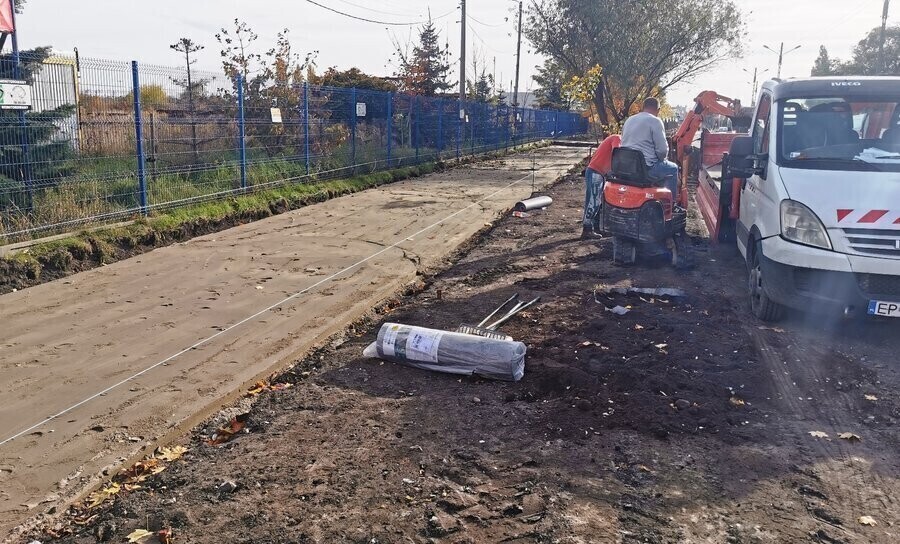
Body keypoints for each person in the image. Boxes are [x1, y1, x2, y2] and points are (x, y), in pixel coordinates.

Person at [620, 97, 679, 199]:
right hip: (646, 170)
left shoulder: (629, 120)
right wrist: (661, 159)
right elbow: (662, 151)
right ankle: (671, 205)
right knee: (673, 169)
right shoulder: (655, 121)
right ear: (658, 110)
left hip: (626, 167)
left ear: (643, 107)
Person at [582, 134, 621, 238]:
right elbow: (616, 153)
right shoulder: (617, 138)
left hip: (598, 172)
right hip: (596, 172)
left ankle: (595, 227)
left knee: (596, 202)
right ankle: (587, 229)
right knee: (594, 202)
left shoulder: (614, 138)